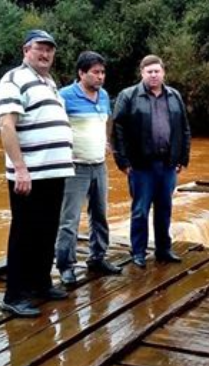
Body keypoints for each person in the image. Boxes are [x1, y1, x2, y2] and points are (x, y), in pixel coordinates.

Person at [0, 30, 74, 317]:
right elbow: (6, 125)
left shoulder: (49, 82)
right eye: (40, 49)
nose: (46, 54)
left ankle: (41, 283)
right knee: (24, 232)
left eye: (50, 50)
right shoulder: (14, 79)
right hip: (30, 173)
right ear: (25, 50)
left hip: (55, 171)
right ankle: (14, 295)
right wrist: (20, 169)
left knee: (47, 230)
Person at [113, 55, 191, 268]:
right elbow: (117, 129)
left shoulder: (174, 96)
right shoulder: (128, 96)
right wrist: (122, 161)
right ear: (142, 73)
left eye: (157, 71)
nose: (154, 75)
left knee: (165, 208)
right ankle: (138, 252)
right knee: (140, 210)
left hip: (168, 164)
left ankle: (163, 249)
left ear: (163, 72)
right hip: (140, 165)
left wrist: (183, 158)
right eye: (149, 72)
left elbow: (184, 128)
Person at [55, 51, 122, 285]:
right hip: (75, 167)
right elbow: (54, 125)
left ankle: (98, 257)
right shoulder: (64, 96)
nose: (100, 77)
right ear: (81, 73)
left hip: (99, 165)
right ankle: (66, 266)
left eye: (103, 72)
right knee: (69, 219)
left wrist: (106, 142)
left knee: (100, 215)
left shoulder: (103, 96)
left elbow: (108, 120)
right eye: (95, 72)